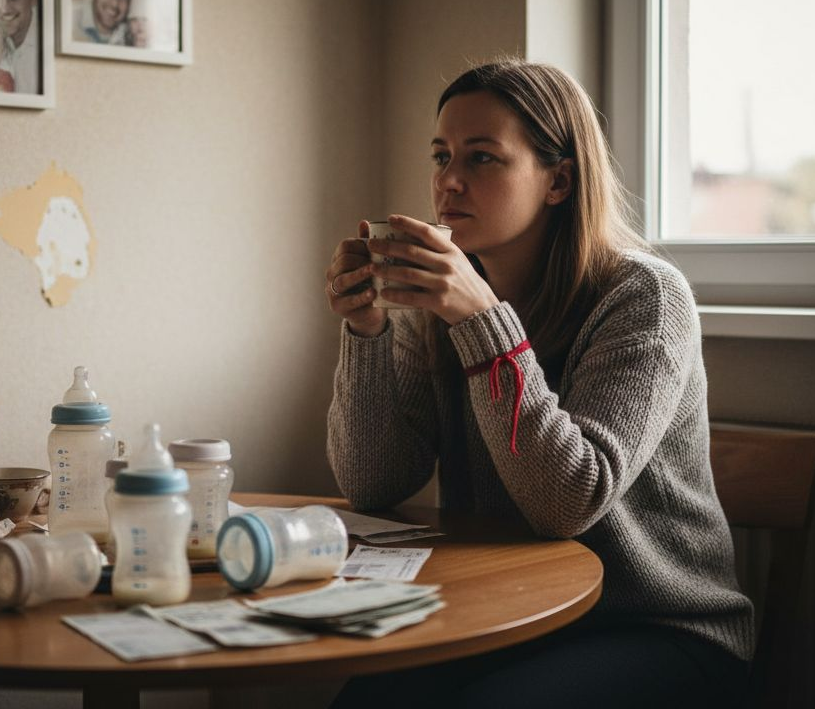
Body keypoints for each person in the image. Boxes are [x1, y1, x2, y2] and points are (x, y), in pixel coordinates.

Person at [323, 58, 753, 709]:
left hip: (660, 629)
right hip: (507, 611)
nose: (449, 183)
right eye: (441, 157)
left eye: (483, 158)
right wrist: (368, 332)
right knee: (366, 702)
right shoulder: (440, 305)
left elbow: (567, 503)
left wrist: (481, 320)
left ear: (558, 180)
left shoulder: (644, 298)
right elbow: (376, 481)